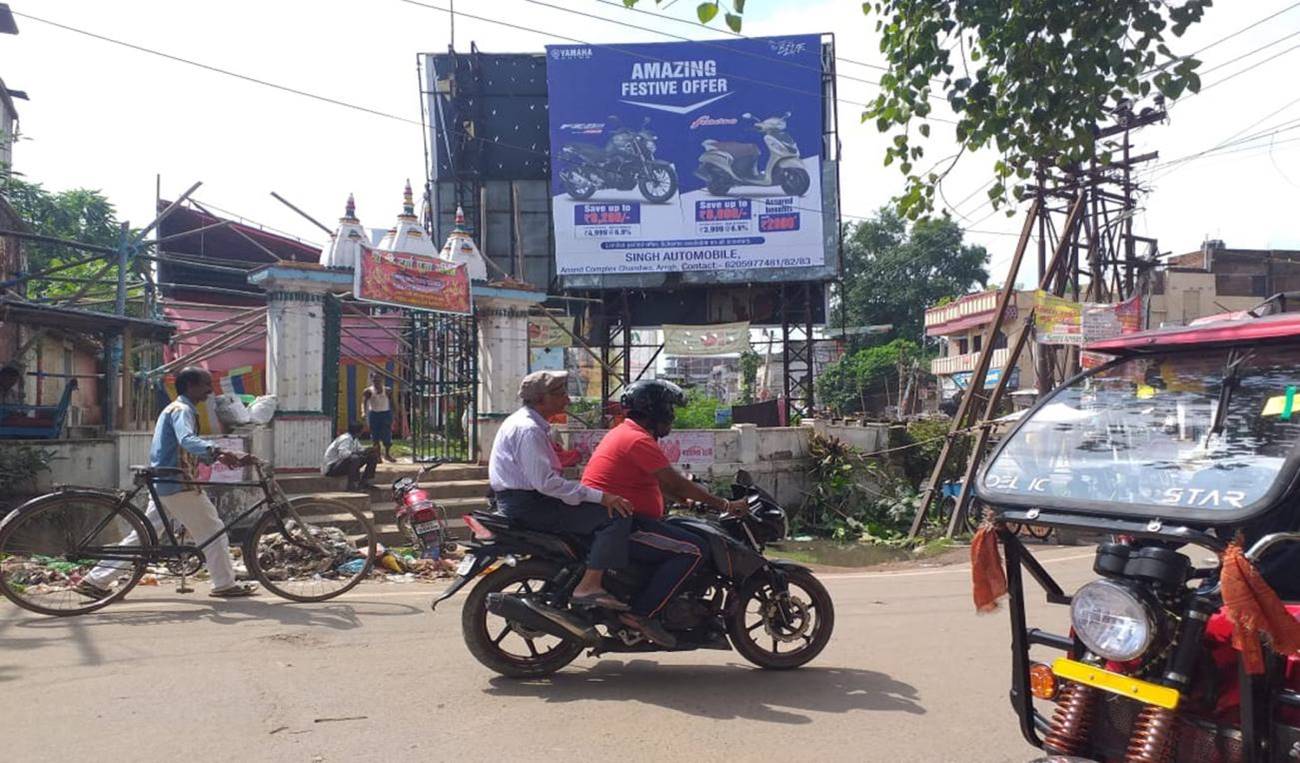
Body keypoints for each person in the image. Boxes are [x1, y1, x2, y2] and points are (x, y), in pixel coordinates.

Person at [582, 379, 748, 648]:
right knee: (693, 550)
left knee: (681, 535)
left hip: (615, 519)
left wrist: (688, 502)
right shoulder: (637, 439)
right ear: (655, 409)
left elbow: (659, 485)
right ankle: (642, 614)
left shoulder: (626, 433)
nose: (672, 415)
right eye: (669, 407)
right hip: (623, 524)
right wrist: (724, 505)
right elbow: (674, 482)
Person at [78, 366, 259, 599]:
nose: (209, 391)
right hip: (178, 483)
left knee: (142, 536)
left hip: (165, 481)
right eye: (206, 385)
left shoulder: (174, 408)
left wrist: (217, 455)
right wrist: (218, 450)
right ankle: (224, 584)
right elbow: (186, 440)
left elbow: (183, 445)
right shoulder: (183, 410)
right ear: (191, 386)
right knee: (213, 531)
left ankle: (95, 581)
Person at [489, 370, 635, 611]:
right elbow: (546, 483)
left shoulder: (529, 423)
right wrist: (600, 496)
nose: (567, 400)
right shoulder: (529, 430)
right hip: (531, 505)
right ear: (541, 399)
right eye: (560, 395)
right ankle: (589, 586)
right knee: (617, 516)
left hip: (524, 501)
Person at [322, 421, 379, 491]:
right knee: (354, 458)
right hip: (332, 468)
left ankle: (365, 482)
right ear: (359, 432)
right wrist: (358, 454)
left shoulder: (354, 439)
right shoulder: (345, 439)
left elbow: (360, 449)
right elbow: (343, 454)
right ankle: (352, 485)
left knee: (372, 456)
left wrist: (368, 450)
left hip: (343, 465)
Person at [363, 376, 395, 463]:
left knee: (387, 434)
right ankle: (378, 456)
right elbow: (364, 402)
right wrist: (363, 413)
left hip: (385, 413)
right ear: (372, 381)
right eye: (375, 381)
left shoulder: (387, 390)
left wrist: (393, 414)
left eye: (378, 381)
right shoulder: (368, 391)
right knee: (375, 436)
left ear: (382, 381)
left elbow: (392, 402)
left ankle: (387, 454)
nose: (377, 383)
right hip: (374, 414)